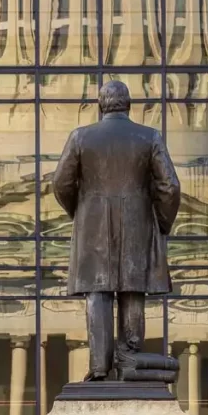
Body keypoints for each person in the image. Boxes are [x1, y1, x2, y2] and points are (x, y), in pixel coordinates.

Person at [52, 81, 181, 380]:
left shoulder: (80, 137)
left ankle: (99, 368)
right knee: (132, 291)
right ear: (129, 105)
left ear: (101, 105)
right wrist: (161, 222)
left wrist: (81, 212)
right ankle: (129, 361)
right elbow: (170, 187)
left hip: (92, 226)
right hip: (137, 225)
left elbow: (60, 183)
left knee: (97, 293)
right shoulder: (149, 137)